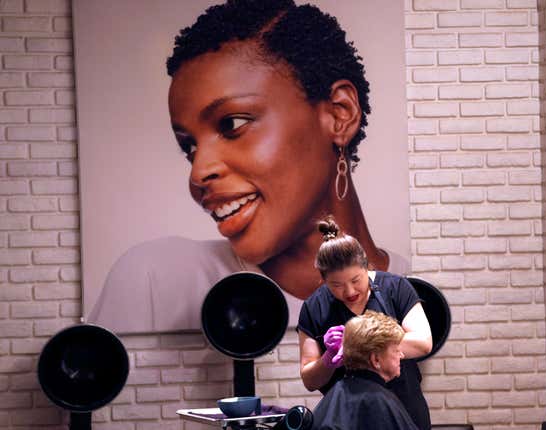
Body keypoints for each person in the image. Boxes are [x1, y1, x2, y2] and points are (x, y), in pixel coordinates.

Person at [87, 0, 410, 333]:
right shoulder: (158, 280)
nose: (198, 173)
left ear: (339, 115)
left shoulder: (415, 299)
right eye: (189, 147)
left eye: (232, 124)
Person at [298, 218, 433, 430]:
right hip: (348, 416)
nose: (350, 291)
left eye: (356, 280)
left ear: (366, 266)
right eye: (337, 285)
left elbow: (423, 343)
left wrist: (356, 344)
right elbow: (309, 380)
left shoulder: (395, 288)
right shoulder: (315, 307)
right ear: (324, 280)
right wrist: (328, 359)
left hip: (403, 405)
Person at [312, 310, 419, 430]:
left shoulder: (334, 397)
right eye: (396, 350)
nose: (402, 355)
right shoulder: (378, 402)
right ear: (376, 360)